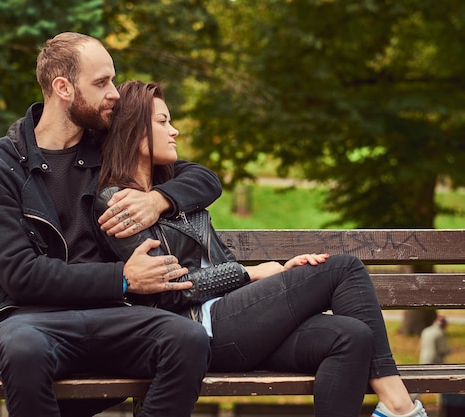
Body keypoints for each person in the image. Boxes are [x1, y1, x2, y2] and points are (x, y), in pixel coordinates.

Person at [92, 80, 428, 417]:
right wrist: (251, 272)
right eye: (163, 122)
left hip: (236, 321)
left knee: (352, 335)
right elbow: (166, 291)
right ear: (135, 130)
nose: (175, 131)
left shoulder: (173, 187)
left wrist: (275, 280)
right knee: (344, 269)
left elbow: (209, 181)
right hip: (198, 332)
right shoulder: (115, 201)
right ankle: (399, 406)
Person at [0, 33, 223, 417]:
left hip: (115, 316)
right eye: (101, 83)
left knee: (188, 339)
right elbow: (20, 274)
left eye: (112, 79)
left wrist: (157, 198)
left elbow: (204, 179)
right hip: (30, 318)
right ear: (63, 88)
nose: (114, 93)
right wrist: (124, 279)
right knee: (21, 348)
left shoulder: (108, 146)